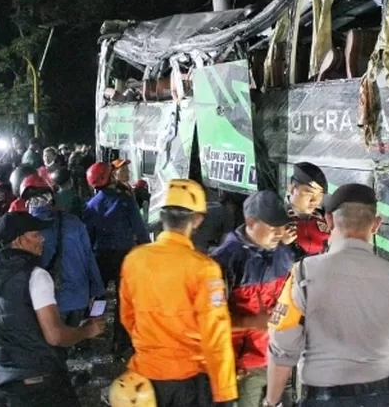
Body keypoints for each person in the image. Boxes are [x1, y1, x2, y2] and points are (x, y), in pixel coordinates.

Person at [264, 184, 389, 407]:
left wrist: (271, 402)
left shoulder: (303, 274)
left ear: (330, 221)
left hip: (322, 400)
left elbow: (283, 349)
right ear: (376, 225)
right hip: (383, 398)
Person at [119, 179, 237, 406]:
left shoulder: (134, 260)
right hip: (188, 382)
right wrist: (225, 392)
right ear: (198, 219)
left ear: (162, 217)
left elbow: (128, 317)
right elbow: (215, 334)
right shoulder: (204, 269)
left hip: (145, 379)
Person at [0, 211, 106, 407]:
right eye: (36, 235)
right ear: (20, 240)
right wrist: (87, 330)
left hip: (6, 392)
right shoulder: (35, 276)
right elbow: (55, 335)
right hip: (43, 388)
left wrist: (1, 379)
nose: (42, 239)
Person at [211, 191, 296, 407]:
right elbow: (208, 323)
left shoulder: (282, 253)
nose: (279, 232)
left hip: (280, 358)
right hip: (245, 367)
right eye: (272, 226)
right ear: (250, 221)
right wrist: (252, 323)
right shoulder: (224, 261)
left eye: (282, 226)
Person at [21, 175, 105, 328]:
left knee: (54, 344)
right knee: (73, 339)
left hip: (48, 302)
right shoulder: (74, 222)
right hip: (79, 298)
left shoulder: (26, 232)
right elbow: (89, 258)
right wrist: (98, 291)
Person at [83, 161, 148, 355]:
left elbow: (89, 236)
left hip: (100, 257)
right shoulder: (125, 200)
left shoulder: (91, 205)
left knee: (98, 296)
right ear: (110, 178)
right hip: (124, 257)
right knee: (124, 300)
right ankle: (120, 343)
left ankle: (90, 334)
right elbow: (140, 229)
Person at [286, 163, 330, 258]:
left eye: (319, 195)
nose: (314, 201)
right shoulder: (277, 219)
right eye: (309, 194)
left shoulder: (326, 219)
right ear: (292, 189)